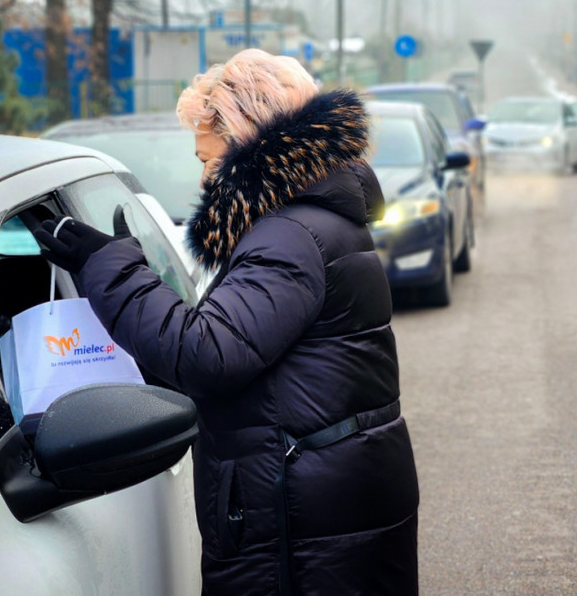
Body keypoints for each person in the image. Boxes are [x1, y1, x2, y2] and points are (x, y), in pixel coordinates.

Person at [34, 48, 420, 595]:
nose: (202, 179)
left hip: (299, 519)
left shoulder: (289, 235)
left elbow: (208, 352)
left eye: (207, 159)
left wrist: (111, 268)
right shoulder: (312, 221)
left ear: (248, 144)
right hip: (324, 503)